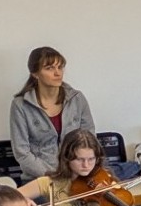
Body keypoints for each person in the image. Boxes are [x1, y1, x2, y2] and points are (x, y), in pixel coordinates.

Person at [9, 47, 96, 182]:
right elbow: (22, 153)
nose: (57, 73)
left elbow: (90, 140)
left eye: (60, 67)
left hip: (77, 176)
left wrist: (80, 170)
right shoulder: (20, 105)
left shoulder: (77, 99)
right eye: (49, 68)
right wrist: (54, 175)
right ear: (35, 73)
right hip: (40, 179)